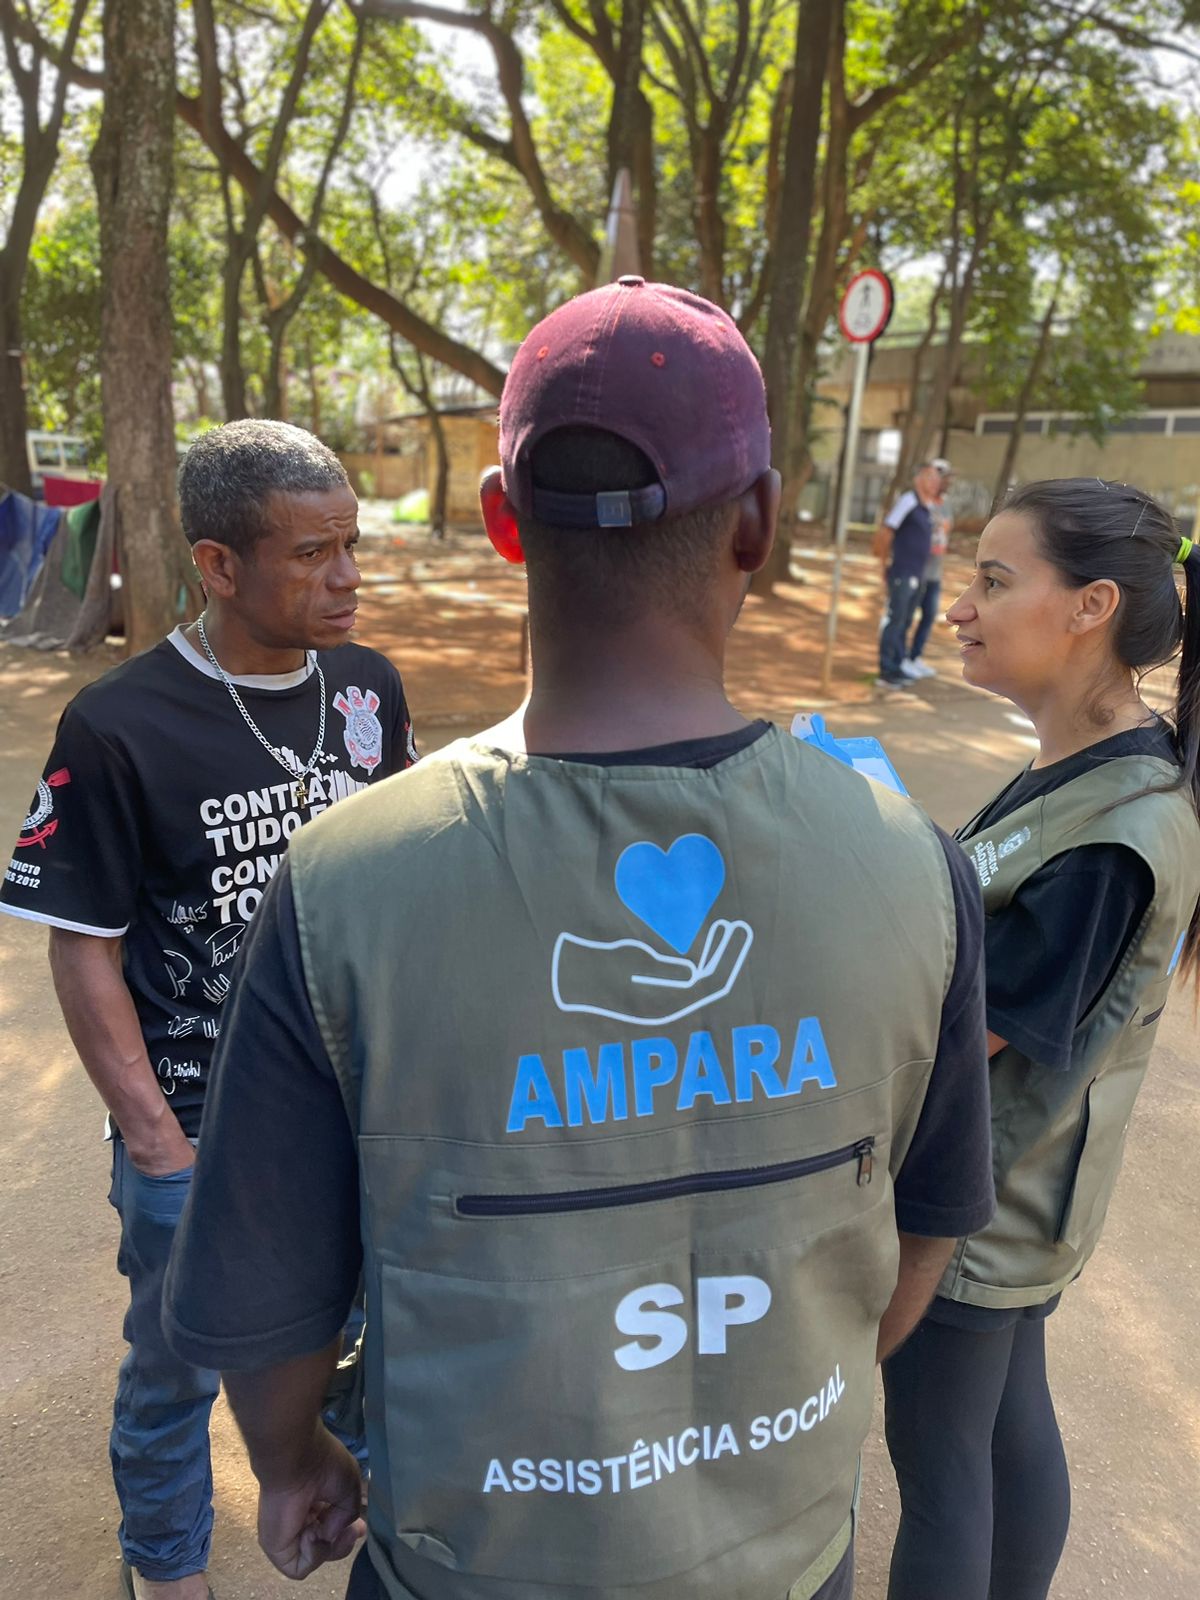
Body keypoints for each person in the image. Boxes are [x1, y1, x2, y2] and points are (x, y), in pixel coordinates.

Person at [164, 277, 995, 1600]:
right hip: (787, 1559)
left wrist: (298, 1456)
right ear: (762, 524)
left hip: (472, 1566)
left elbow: (265, 1305)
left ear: (504, 524)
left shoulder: (347, 884)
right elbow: (931, 1230)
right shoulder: (912, 862)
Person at [0, 419, 416, 1600]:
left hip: (356, 1115)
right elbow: (84, 947)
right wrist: (155, 1142)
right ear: (218, 565)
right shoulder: (120, 723)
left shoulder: (369, 687)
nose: (346, 577)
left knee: (377, 1338)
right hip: (200, 1128)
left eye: (351, 545)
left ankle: (373, 1520)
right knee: (178, 1371)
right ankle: (168, 1570)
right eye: (311, 553)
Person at [882, 478, 1200, 1600]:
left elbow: (970, 1036)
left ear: (1090, 606)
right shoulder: (1086, 768)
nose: (959, 606)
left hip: (982, 1210)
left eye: (994, 580)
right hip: (1012, 1196)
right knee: (1005, 1430)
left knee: (944, 1470)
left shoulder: (1120, 829)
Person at [873, 461, 945, 689]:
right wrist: (884, 564)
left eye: (937, 480)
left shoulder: (927, 507)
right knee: (895, 619)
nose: (935, 484)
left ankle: (898, 663)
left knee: (905, 620)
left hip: (918, 573)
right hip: (903, 572)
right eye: (930, 478)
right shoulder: (909, 500)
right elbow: (887, 531)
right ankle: (887, 670)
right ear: (919, 480)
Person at [900, 458, 952, 680]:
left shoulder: (945, 503)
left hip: (935, 572)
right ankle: (901, 659)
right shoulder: (919, 502)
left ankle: (915, 656)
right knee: (906, 616)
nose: (941, 481)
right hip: (917, 569)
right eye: (935, 477)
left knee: (929, 615)